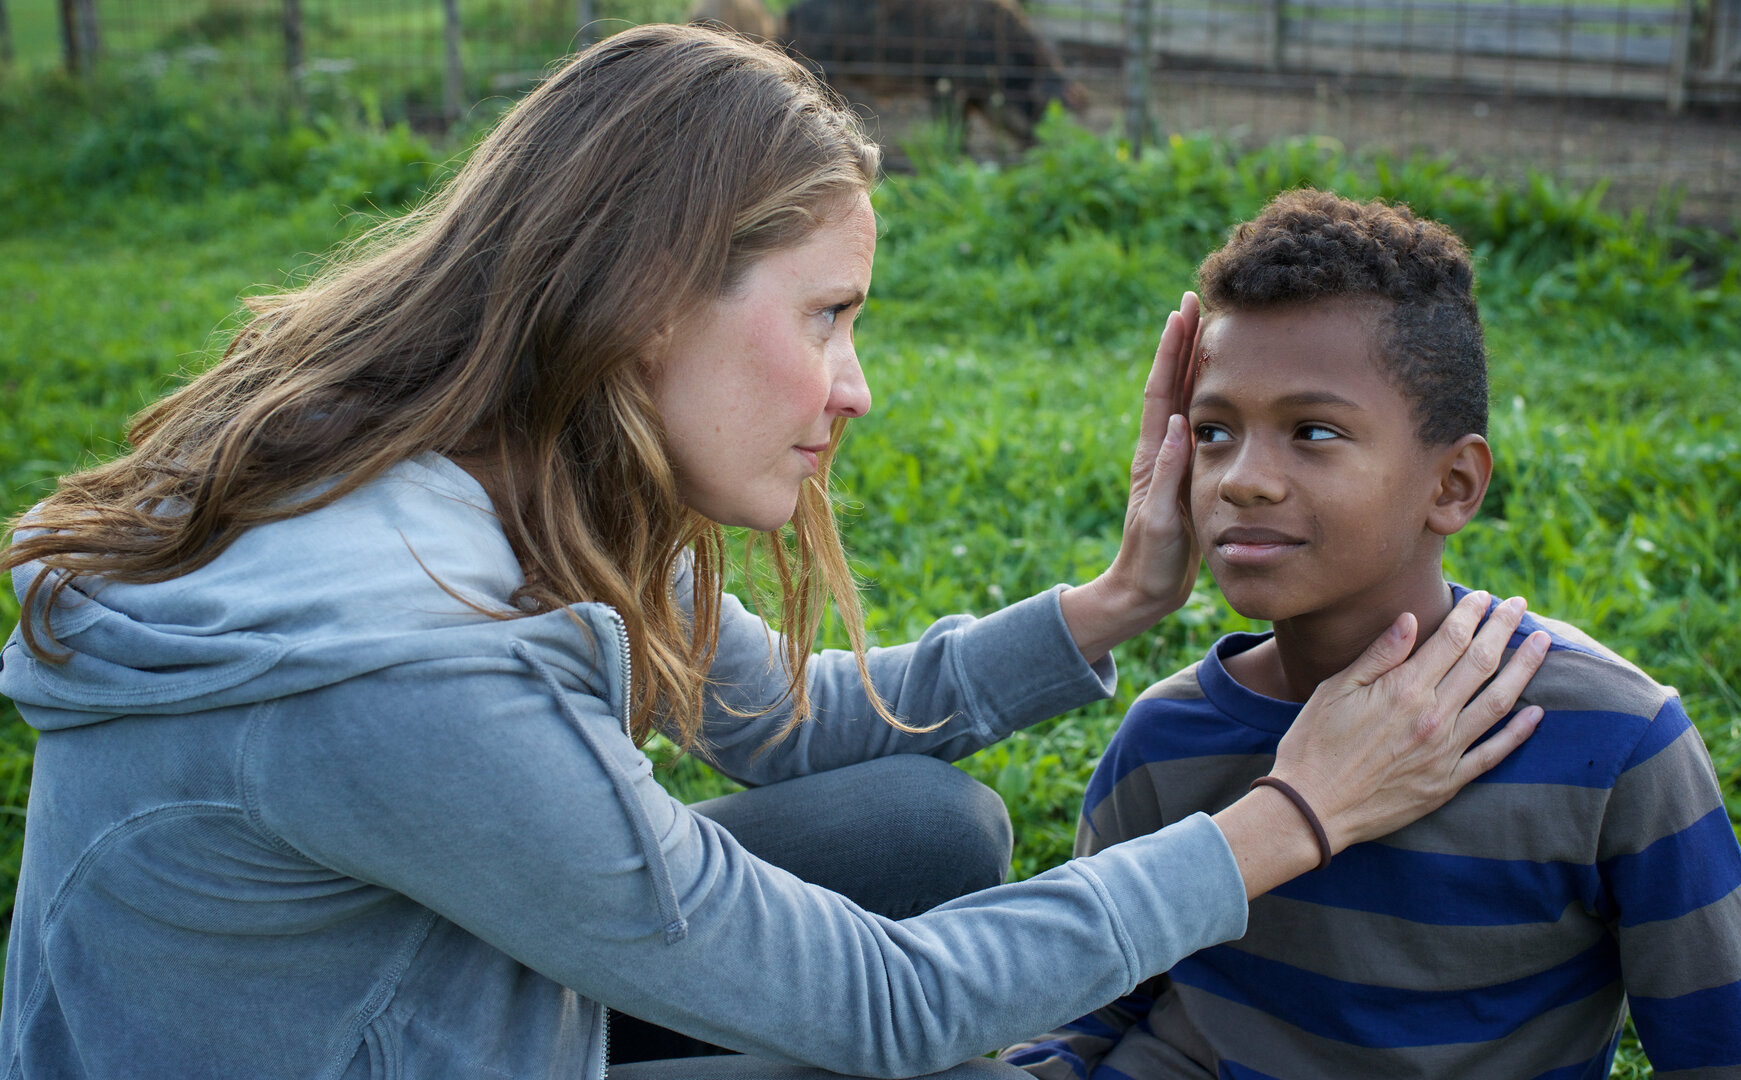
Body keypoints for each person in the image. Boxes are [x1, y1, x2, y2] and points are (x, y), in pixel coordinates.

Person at [0, 28, 1549, 1080]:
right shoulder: (409, 666)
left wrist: (1115, 602)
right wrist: (1290, 817)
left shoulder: (508, 463)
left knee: (925, 835)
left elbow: (782, 723)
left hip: (417, 994)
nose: (855, 385)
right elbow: (889, 1006)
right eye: (827, 316)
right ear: (650, 295)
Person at [1001, 190, 1741, 1079]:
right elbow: (1086, 1010)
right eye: (1213, 432)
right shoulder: (1167, 737)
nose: (1242, 478)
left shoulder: (1610, 742)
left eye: (1313, 432)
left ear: (1454, 485)